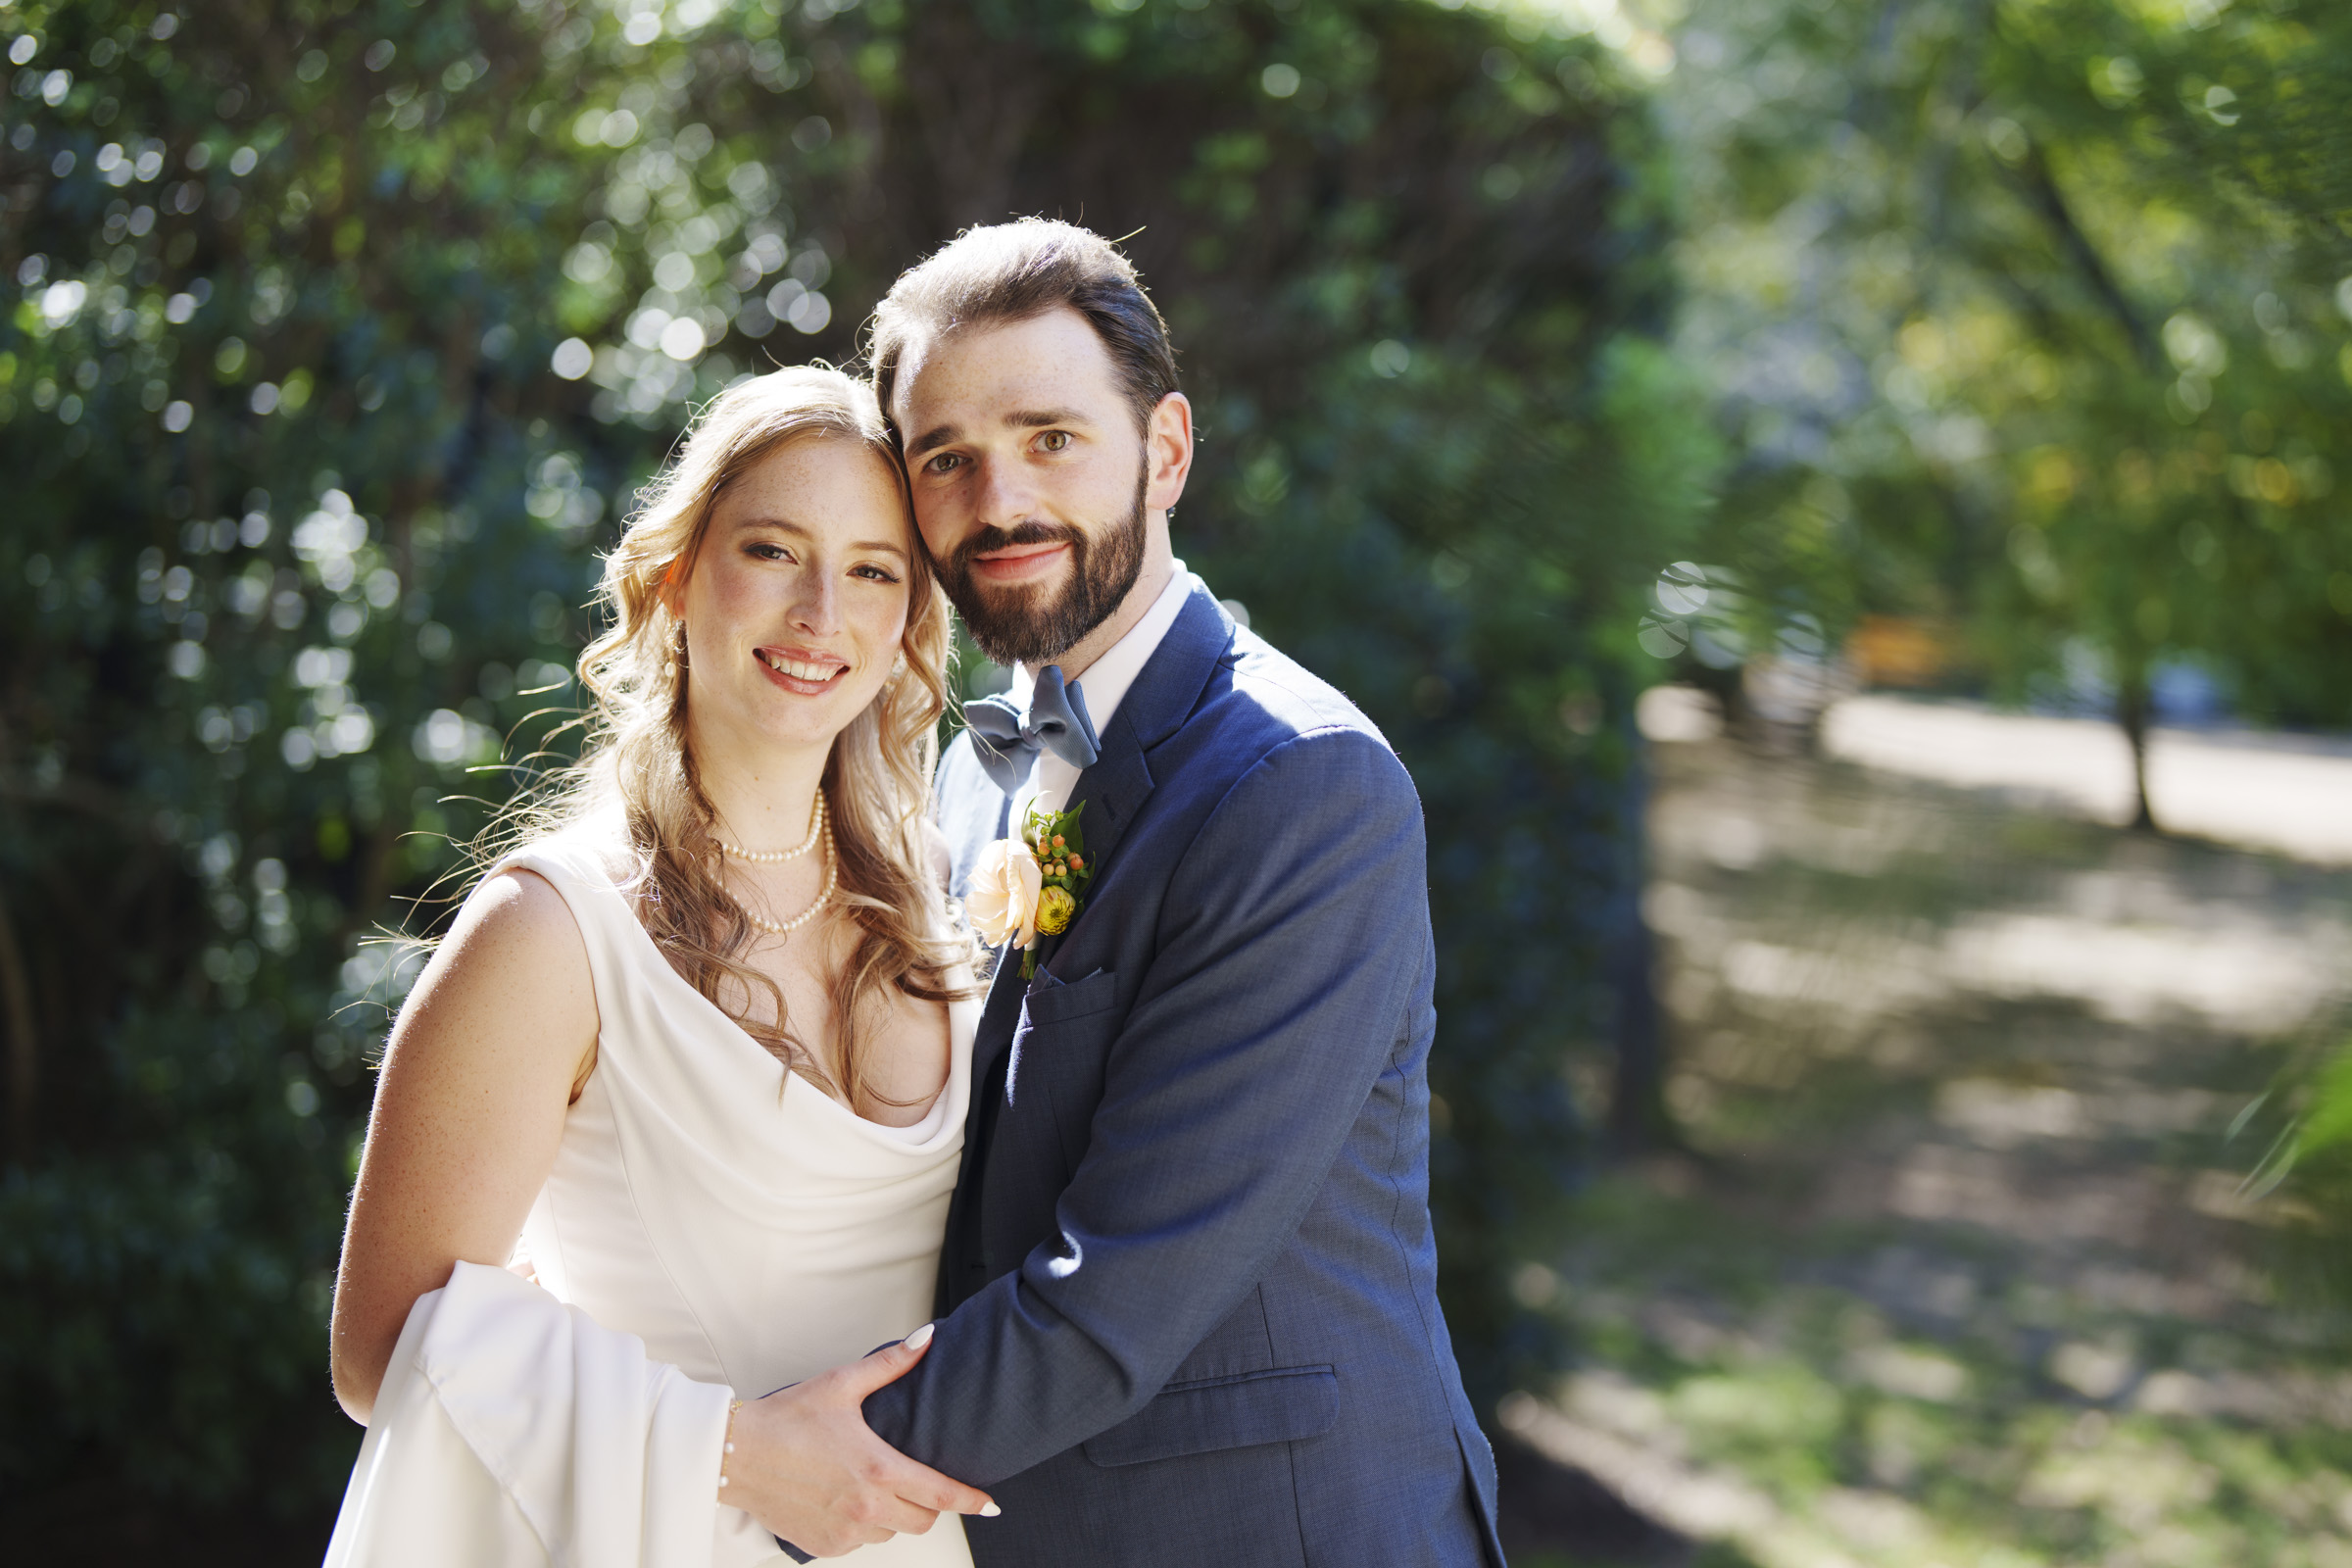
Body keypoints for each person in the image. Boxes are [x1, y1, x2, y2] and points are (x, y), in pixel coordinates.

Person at [763, 220, 1507, 1565]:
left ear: (1164, 451)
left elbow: (1117, 1290)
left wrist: (740, 1482)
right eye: (948, 459)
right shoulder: (962, 777)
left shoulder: (1301, 788)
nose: (999, 503)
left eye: (1051, 439)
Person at [323, 367, 1001, 1565]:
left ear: (908, 621)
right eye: (774, 550)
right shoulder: (552, 932)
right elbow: (380, 1349)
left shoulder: (940, 893)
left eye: (872, 570)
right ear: (677, 576)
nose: (819, 613)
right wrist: (734, 1449)